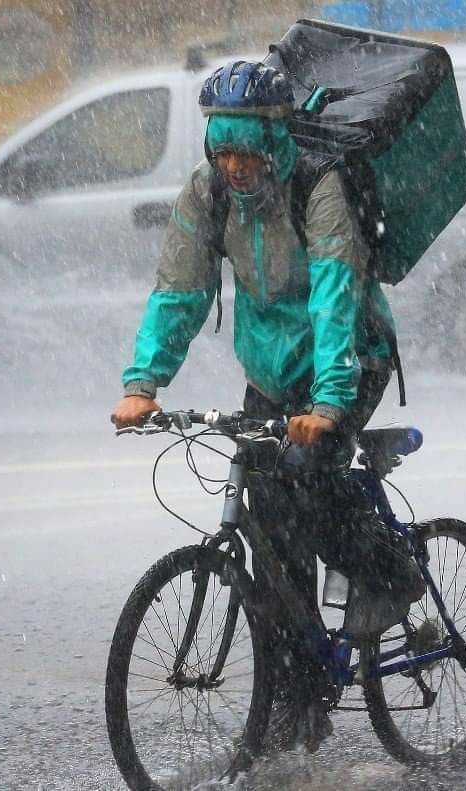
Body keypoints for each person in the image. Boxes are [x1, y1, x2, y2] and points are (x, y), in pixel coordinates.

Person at [111, 60, 425, 752]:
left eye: (247, 150)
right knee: (270, 531)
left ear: (274, 141)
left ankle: (392, 575)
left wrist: (331, 400)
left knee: (308, 485)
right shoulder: (209, 193)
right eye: (222, 150)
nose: (235, 165)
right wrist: (143, 383)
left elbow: (335, 293)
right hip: (271, 370)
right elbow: (179, 289)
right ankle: (300, 694)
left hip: (349, 357)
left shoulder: (318, 186)